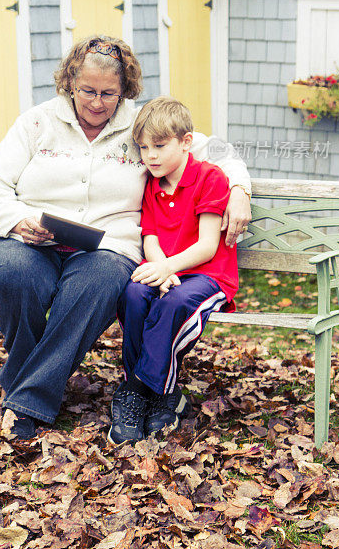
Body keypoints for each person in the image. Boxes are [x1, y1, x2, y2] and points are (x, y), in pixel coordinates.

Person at [0, 36, 251, 440]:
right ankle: (31, 383)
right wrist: (16, 221)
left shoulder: (140, 126)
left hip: (105, 248)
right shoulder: (36, 123)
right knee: (15, 275)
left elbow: (221, 151)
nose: (98, 102)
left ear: (125, 90)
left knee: (100, 282)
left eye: (109, 93)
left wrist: (239, 190)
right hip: (26, 240)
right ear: (69, 82)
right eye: (88, 90)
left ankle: (25, 399)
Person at [109, 96, 239, 446]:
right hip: (167, 269)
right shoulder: (152, 183)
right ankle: (163, 395)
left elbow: (208, 245)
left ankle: (138, 390)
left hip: (208, 275)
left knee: (173, 304)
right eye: (143, 147)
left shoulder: (210, 178)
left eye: (159, 146)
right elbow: (150, 237)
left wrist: (168, 267)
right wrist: (159, 269)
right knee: (135, 293)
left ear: (186, 142)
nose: (150, 155)